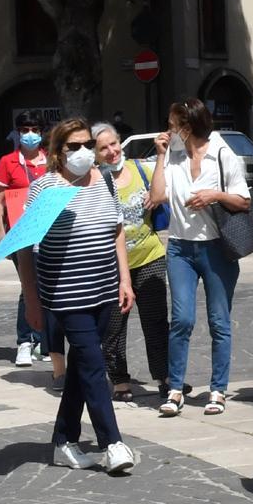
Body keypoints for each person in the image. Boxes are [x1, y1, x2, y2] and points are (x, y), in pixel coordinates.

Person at [17, 118, 137, 474]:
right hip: (65, 294)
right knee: (94, 364)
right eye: (74, 146)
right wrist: (33, 300)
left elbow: (116, 230)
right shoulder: (46, 188)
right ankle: (112, 442)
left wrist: (124, 280)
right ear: (58, 152)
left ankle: (64, 440)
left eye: (88, 144)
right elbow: (25, 248)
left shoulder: (106, 181)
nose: (83, 152)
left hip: (103, 289)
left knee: (83, 367)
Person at [150, 99, 250, 417]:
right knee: (181, 320)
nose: (168, 130)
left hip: (216, 248)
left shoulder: (222, 154)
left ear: (187, 127)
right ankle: (175, 388)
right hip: (180, 248)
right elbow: (155, 197)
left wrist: (215, 195)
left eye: (172, 124)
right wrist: (162, 154)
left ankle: (218, 389)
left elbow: (243, 201)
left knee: (219, 322)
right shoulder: (174, 157)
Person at [92, 122, 169, 402]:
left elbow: (165, 191)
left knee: (156, 320)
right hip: (110, 265)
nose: (112, 151)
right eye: (104, 148)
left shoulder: (140, 170)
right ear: (95, 153)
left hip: (149, 255)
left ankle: (164, 375)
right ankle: (120, 380)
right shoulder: (95, 180)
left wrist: (157, 193)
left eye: (114, 144)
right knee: (114, 325)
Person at [0, 110, 61, 373]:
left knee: (48, 285)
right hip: (21, 234)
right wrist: (0, 233)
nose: (29, 134)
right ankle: (24, 341)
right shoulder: (8, 162)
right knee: (27, 285)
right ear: (17, 133)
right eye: (24, 130)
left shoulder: (51, 160)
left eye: (34, 129)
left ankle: (45, 342)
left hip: (48, 233)